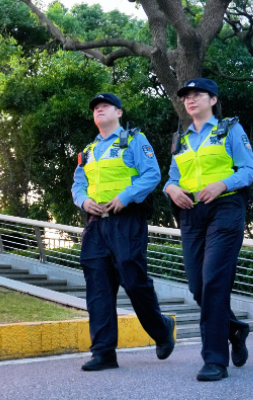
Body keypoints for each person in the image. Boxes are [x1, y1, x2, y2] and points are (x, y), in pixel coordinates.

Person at [72, 93, 175, 372]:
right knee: (98, 287)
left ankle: (162, 329)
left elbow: (152, 173)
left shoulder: (133, 140)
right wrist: (83, 201)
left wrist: (126, 197)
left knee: (133, 279)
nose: (99, 109)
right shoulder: (89, 151)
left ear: (118, 112)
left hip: (126, 219)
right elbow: (77, 186)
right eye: (95, 107)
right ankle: (104, 352)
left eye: (105, 105)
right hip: (96, 225)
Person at [164, 78, 253, 381]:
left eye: (197, 95)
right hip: (192, 213)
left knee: (214, 280)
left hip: (226, 208)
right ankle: (234, 329)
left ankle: (215, 361)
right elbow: (172, 176)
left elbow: (249, 170)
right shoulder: (182, 138)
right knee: (198, 286)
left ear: (212, 100)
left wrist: (222, 184)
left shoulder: (230, 130)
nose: (190, 100)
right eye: (186, 97)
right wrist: (171, 189)